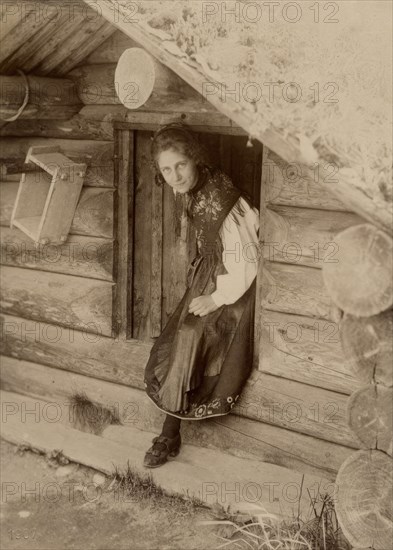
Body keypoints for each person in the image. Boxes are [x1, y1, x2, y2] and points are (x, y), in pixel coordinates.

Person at [143, 122, 260, 468]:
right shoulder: (195, 184)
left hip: (236, 285)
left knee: (193, 333)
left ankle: (169, 433)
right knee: (181, 331)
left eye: (180, 164)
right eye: (166, 169)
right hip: (213, 272)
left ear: (194, 159)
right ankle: (170, 429)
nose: (175, 175)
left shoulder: (224, 200)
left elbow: (247, 259)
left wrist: (218, 296)